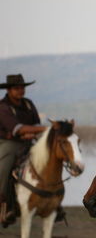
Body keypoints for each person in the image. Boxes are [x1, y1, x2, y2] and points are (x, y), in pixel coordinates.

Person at [0, 74, 46, 227]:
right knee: (4, 167)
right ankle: (4, 203)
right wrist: (46, 129)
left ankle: (53, 201)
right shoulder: (3, 106)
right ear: (9, 90)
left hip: (28, 141)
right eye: (17, 88)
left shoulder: (28, 104)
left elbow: (35, 123)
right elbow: (16, 129)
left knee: (49, 159)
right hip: (8, 142)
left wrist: (33, 132)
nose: (21, 91)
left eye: (22, 88)